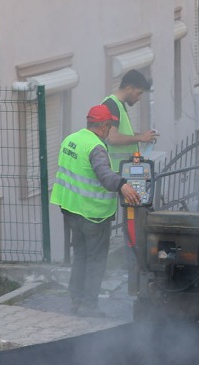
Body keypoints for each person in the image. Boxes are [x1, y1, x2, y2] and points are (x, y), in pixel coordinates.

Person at [51, 104, 142, 316]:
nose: (109, 130)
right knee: (96, 261)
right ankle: (88, 306)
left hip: (71, 210)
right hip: (93, 214)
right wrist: (123, 185)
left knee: (80, 256)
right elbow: (104, 174)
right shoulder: (96, 147)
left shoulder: (70, 139)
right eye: (109, 126)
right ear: (103, 125)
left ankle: (76, 300)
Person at [101, 69, 157, 172]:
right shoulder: (112, 105)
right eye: (138, 93)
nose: (139, 98)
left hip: (123, 171)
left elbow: (121, 133)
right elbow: (112, 138)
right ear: (129, 88)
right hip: (115, 172)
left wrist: (142, 136)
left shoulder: (118, 105)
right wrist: (140, 137)